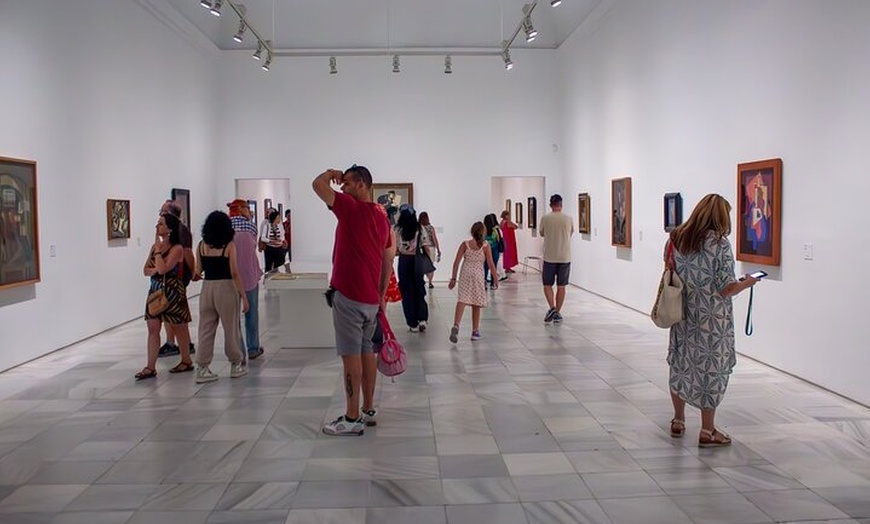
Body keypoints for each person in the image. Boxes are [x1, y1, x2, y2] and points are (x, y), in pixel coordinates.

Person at [666, 194, 759, 448]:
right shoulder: (719, 243)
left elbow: (670, 269)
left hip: (683, 313)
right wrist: (747, 283)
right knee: (711, 370)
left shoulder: (677, 237)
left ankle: (678, 420)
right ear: (720, 217)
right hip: (712, 320)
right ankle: (707, 430)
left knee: (680, 363)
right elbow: (725, 288)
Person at [313, 164, 394, 436]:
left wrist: (329, 173)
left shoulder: (349, 208)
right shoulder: (382, 219)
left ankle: (351, 417)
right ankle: (368, 409)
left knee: (351, 358)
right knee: (367, 353)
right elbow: (387, 261)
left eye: (346, 183)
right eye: (340, 182)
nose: (341, 187)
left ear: (361, 184)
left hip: (349, 296)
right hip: (370, 300)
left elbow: (317, 185)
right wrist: (381, 296)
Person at [193, 211, 250, 383]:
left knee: (205, 329)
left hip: (207, 288)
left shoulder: (202, 245)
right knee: (231, 328)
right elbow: (234, 272)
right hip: (226, 288)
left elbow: (197, 271)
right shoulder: (229, 246)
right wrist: (244, 297)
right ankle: (235, 364)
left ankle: (202, 367)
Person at [137, 213, 193, 380]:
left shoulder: (177, 249)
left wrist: (158, 253)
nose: (157, 227)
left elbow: (162, 269)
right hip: (156, 291)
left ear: (169, 228)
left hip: (173, 291)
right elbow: (146, 270)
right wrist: (156, 255)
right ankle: (150, 366)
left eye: (161, 224)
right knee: (153, 328)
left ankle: (186, 360)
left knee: (178, 327)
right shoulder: (155, 248)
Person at [448, 222, 498, 343]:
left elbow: (456, 262)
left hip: (465, 273)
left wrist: (453, 279)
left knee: (462, 300)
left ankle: (456, 325)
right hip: (478, 275)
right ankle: (475, 331)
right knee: (476, 303)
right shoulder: (485, 246)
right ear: (483, 232)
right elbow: (491, 264)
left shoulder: (465, 244)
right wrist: (495, 279)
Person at [157, 200, 196, 358]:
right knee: (169, 310)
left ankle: (182, 344)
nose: (160, 214)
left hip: (178, 276)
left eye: (163, 211)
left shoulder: (181, 230)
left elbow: (188, 254)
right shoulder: (172, 231)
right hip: (170, 275)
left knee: (176, 312)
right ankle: (172, 342)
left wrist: (193, 272)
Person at [228, 199, 265, 360]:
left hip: (230, 277)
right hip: (249, 275)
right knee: (252, 313)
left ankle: (239, 350)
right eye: (247, 208)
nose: (250, 211)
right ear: (242, 209)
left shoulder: (226, 226)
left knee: (233, 317)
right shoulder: (250, 226)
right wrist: (249, 219)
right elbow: (253, 247)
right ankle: (253, 348)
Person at [539, 194, 574, 324]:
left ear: (550, 204)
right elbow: (571, 232)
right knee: (561, 286)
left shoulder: (545, 218)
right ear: (561, 204)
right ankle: (557, 312)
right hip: (565, 257)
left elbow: (542, 233)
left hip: (550, 256)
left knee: (547, 284)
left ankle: (552, 308)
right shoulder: (568, 218)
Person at [394, 207, 430, 332]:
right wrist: (428, 262)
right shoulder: (419, 228)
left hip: (404, 261)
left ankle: (412, 323)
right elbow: (426, 247)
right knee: (419, 289)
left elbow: (395, 249)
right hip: (417, 261)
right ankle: (422, 319)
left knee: (406, 292)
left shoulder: (397, 229)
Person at [418, 212, 441, 289]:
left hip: (421, 248)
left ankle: (421, 281)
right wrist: (438, 249)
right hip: (431, 248)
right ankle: (430, 282)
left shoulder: (418, 228)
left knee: (421, 266)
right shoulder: (431, 228)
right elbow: (435, 239)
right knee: (430, 266)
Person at [483, 214, 503, 287]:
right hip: (495, 249)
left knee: (485, 266)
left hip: (485, 249)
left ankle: (484, 281)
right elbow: (498, 239)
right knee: (493, 265)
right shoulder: (495, 229)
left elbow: (482, 239)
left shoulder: (483, 230)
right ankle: (493, 282)